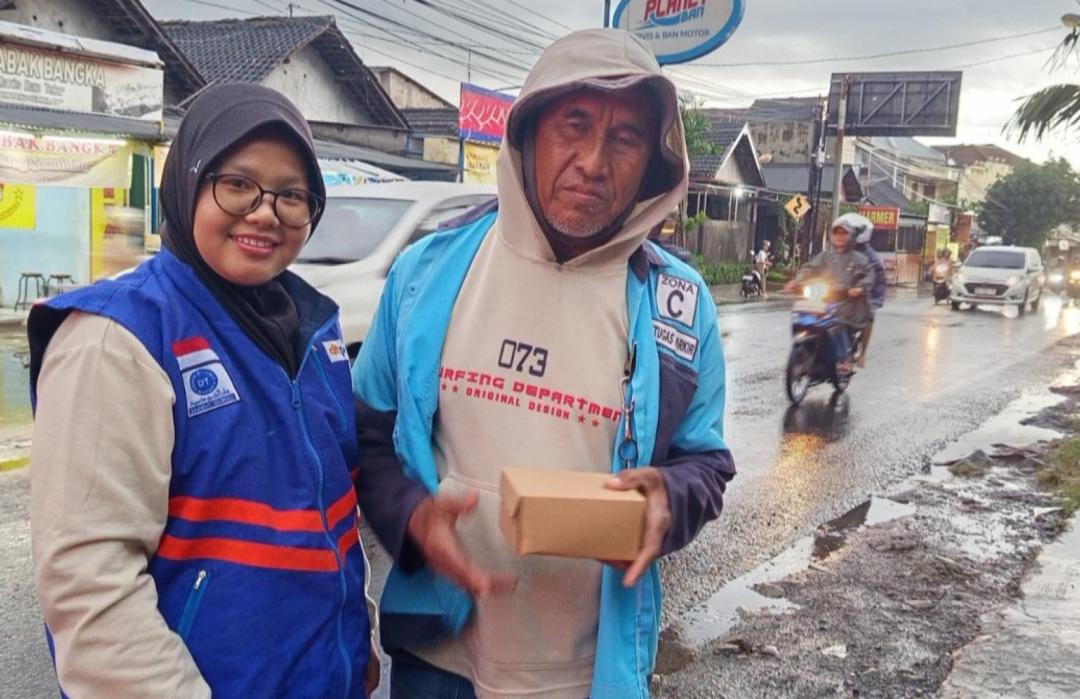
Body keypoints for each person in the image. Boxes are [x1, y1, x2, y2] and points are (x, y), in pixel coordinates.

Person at [352, 28, 735, 698]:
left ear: (653, 161)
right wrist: (411, 517)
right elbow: (366, 436)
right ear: (528, 134)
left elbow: (705, 462)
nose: (592, 160)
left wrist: (666, 502)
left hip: (586, 673)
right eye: (574, 125)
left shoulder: (678, 306)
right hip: (438, 662)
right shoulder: (428, 273)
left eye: (625, 138)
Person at [27, 84, 377, 697]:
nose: (266, 212)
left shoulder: (312, 330)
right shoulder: (120, 338)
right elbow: (91, 590)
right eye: (237, 184)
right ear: (187, 183)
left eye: (292, 195)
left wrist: (357, 640)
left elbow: (329, 516)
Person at [786, 215, 873, 376]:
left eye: (844, 233)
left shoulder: (859, 259)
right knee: (800, 310)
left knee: (836, 320)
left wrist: (859, 288)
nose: (840, 237)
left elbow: (869, 275)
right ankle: (807, 348)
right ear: (832, 236)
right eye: (837, 233)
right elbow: (809, 268)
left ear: (851, 236)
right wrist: (796, 281)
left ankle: (844, 358)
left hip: (847, 302)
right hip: (823, 299)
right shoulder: (825, 256)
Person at [845, 213, 886, 367]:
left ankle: (862, 354)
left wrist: (862, 289)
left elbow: (873, 278)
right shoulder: (842, 249)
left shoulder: (871, 258)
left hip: (871, 290)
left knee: (868, 315)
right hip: (846, 288)